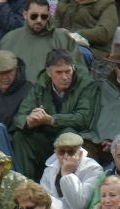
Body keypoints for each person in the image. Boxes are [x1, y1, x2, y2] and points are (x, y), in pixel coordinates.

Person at [12, 49, 98, 178]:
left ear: (73, 68)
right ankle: (25, 185)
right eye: (59, 72)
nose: (64, 77)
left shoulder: (86, 84)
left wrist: (52, 120)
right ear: (49, 72)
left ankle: (63, 185)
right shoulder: (41, 84)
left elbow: (83, 119)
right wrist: (30, 120)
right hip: (46, 139)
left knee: (67, 134)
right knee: (20, 136)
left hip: (73, 138)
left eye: (68, 71)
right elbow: (20, 116)